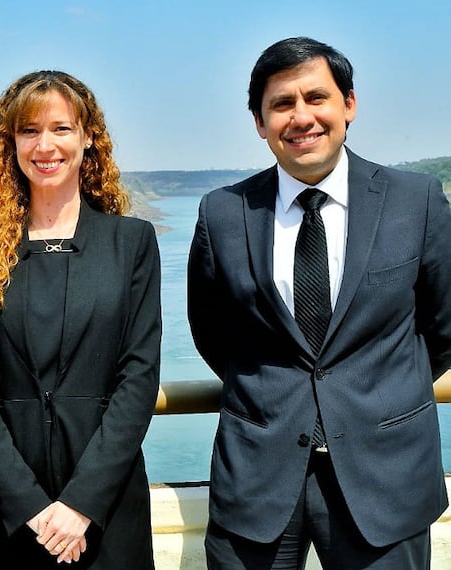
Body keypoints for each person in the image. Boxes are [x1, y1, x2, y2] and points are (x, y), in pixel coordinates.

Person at [187, 36, 451, 569]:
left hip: (385, 480)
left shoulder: (415, 201)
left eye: (316, 98)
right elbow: (213, 334)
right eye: (282, 104)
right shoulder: (223, 212)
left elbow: (443, 326)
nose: (301, 117)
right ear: (260, 123)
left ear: (348, 105)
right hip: (258, 480)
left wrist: (375, 393)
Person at [0, 70, 161, 569]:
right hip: (3, 508)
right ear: (11, 144)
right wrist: (29, 505)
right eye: (29, 130)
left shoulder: (131, 243)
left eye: (61, 129)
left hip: (105, 507)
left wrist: (82, 502)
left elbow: (139, 374)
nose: (46, 145)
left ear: (88, 139)